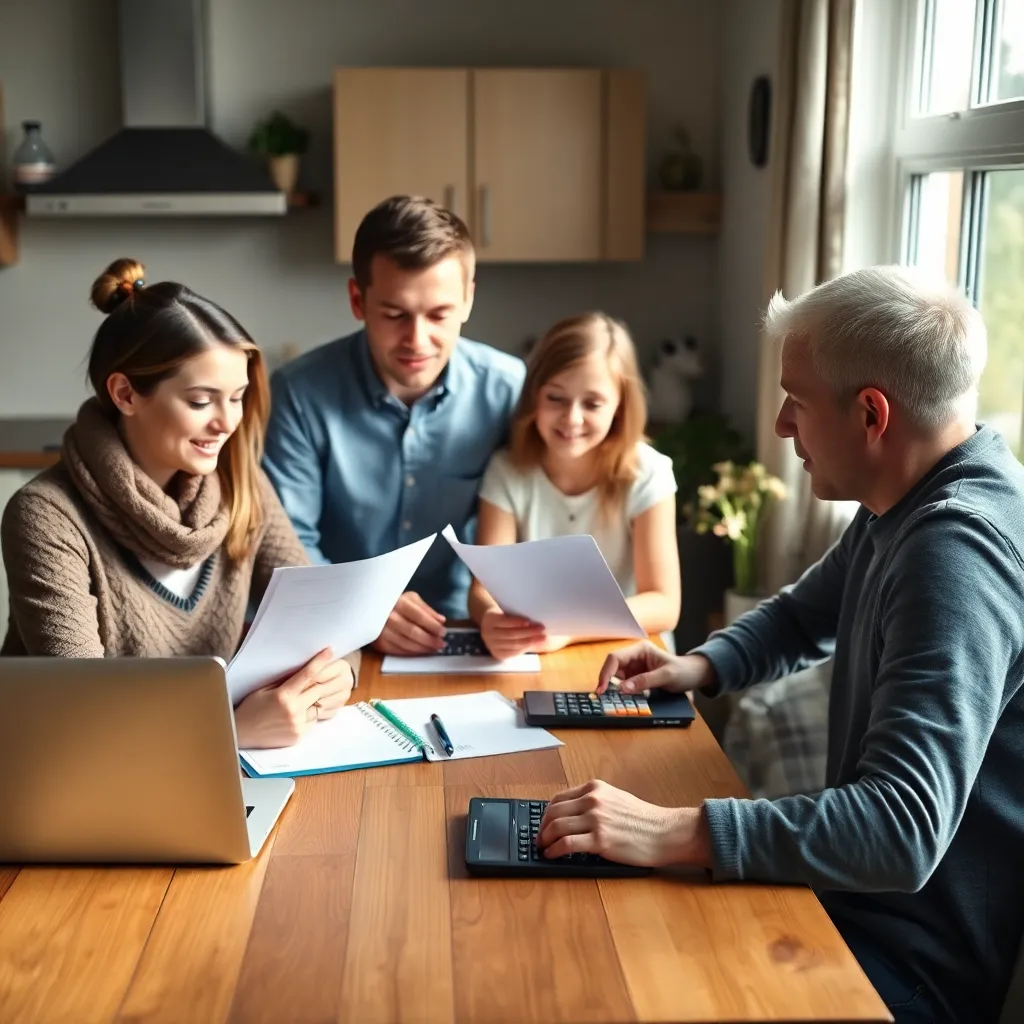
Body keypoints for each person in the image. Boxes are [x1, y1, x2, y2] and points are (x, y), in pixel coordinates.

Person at [536, 265, 1024, 1024]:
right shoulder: (908, 493)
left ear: (872, 414)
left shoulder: (955, 552)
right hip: (849, 910)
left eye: (795, 401)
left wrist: (670, 829)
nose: (781, 427)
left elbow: (901, 829)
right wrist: (699, 665)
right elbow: (805, 615)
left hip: (901, 971)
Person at [0, 259, 359, 750]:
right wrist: (230, 730)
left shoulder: (241, 484)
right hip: (64, 780)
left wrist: (338, 676)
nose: (227, 422)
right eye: (200, 401)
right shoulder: (45, 516)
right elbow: (84, 712)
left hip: (208, 768)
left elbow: (325, 624)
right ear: (126, 393)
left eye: (236, 397)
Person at [263, 195, 526, 656]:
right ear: (356, 300)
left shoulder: (508, 391)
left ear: (468, 298)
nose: (417, 340)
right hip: (334, 634)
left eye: (439, 314)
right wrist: (361, 610)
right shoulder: (297, 394)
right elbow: (288, 543)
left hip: (469, 627)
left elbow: (532, 520)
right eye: (395, 314)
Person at [469, 312, 680, 658]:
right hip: (537, 652)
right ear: (534, 397)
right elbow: (482, 590)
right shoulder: (507, 470)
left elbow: (664, 604)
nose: (572, 418)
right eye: (556, 398)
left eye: (593, 403)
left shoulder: (648, 473)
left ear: (620, 408)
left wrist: (569, 630)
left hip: (630, 655)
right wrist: (491, 618)